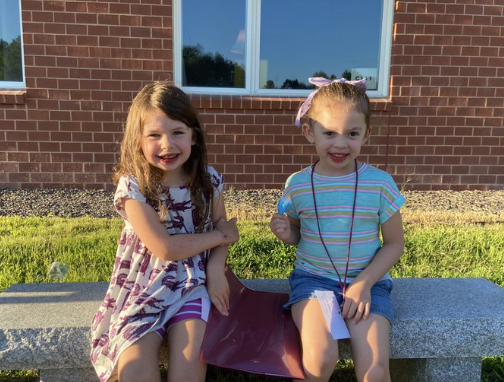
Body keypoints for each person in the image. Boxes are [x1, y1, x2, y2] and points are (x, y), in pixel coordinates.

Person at [90, 82, 239, 382]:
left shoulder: (208, 180)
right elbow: (165, 248)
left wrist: (215, 268)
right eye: (154, 135)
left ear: (194, 137)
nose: (167, 145)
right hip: (143, 287)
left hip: (192, 284)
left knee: (191, 360)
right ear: (138, 141)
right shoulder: (134, 188)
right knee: (135, 365)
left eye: (177, 133)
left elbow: (223, 224)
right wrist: (220, 236)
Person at [270, 77, 405, 382]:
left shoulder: (380, 183)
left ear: (366, 135)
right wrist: (285, 232)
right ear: (310, 132)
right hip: (313, 282)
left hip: (367, 283)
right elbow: (297, 235)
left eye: (352, 133)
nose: (341, 143)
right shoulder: (298, 185)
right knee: (320, 358)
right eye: (329, 133)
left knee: (374, 370)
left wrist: (364, 283)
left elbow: (394, 244)